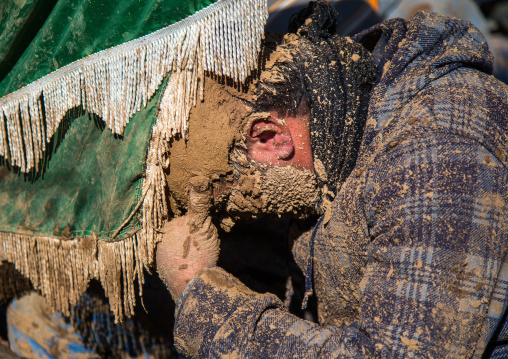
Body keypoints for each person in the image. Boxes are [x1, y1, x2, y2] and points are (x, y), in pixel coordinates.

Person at [156, 1, 508, 357]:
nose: (231, 213)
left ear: (270, 137)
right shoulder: (337, 124)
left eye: (227, 193)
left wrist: (197, 294)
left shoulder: (437, 157)